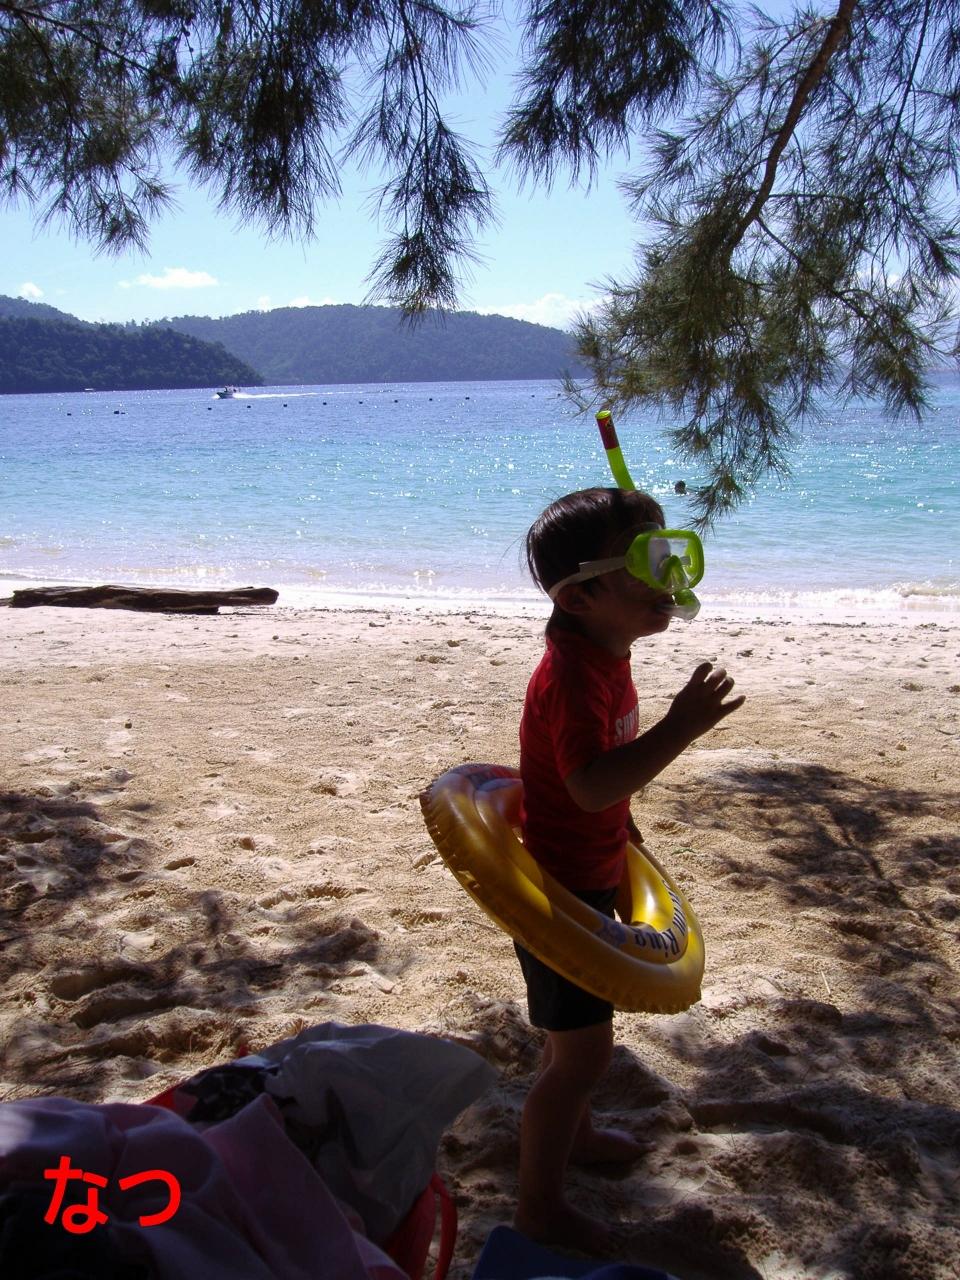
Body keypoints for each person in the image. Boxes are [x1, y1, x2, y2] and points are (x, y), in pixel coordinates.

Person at [515, 486, 745, 1253]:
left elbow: (600, 784)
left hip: (594, 866)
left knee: (569, 1039)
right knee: (583, 1056)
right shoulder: (574, 678)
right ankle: (538, 1209)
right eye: (645, 558)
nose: (668, 574)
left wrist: (627, 838)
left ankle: (576, 1137)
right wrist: (680, 728)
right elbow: (588, 785)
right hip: (559, 891)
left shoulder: (607, 656)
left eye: (669, 550)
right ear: (579, 597)